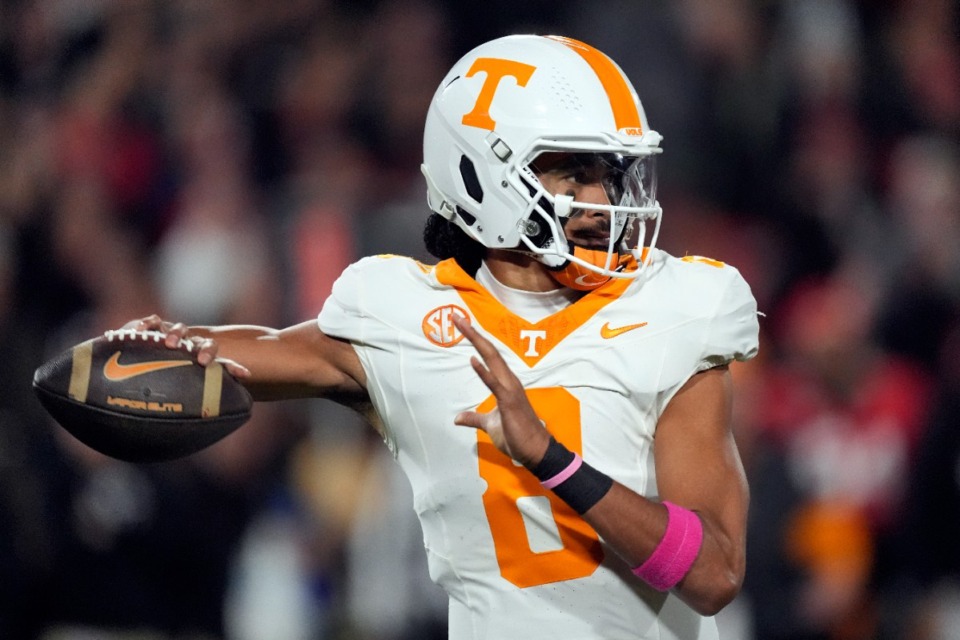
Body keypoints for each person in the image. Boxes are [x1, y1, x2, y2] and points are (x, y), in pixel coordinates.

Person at [129, 35, 760, 640]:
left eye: (609, 174)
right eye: (572, 173)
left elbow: (714, 573)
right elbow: (237, 356)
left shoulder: (674, 307)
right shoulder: (402, 314)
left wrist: (551, 460)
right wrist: (154, 349)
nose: (600, 200)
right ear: (484, 177)